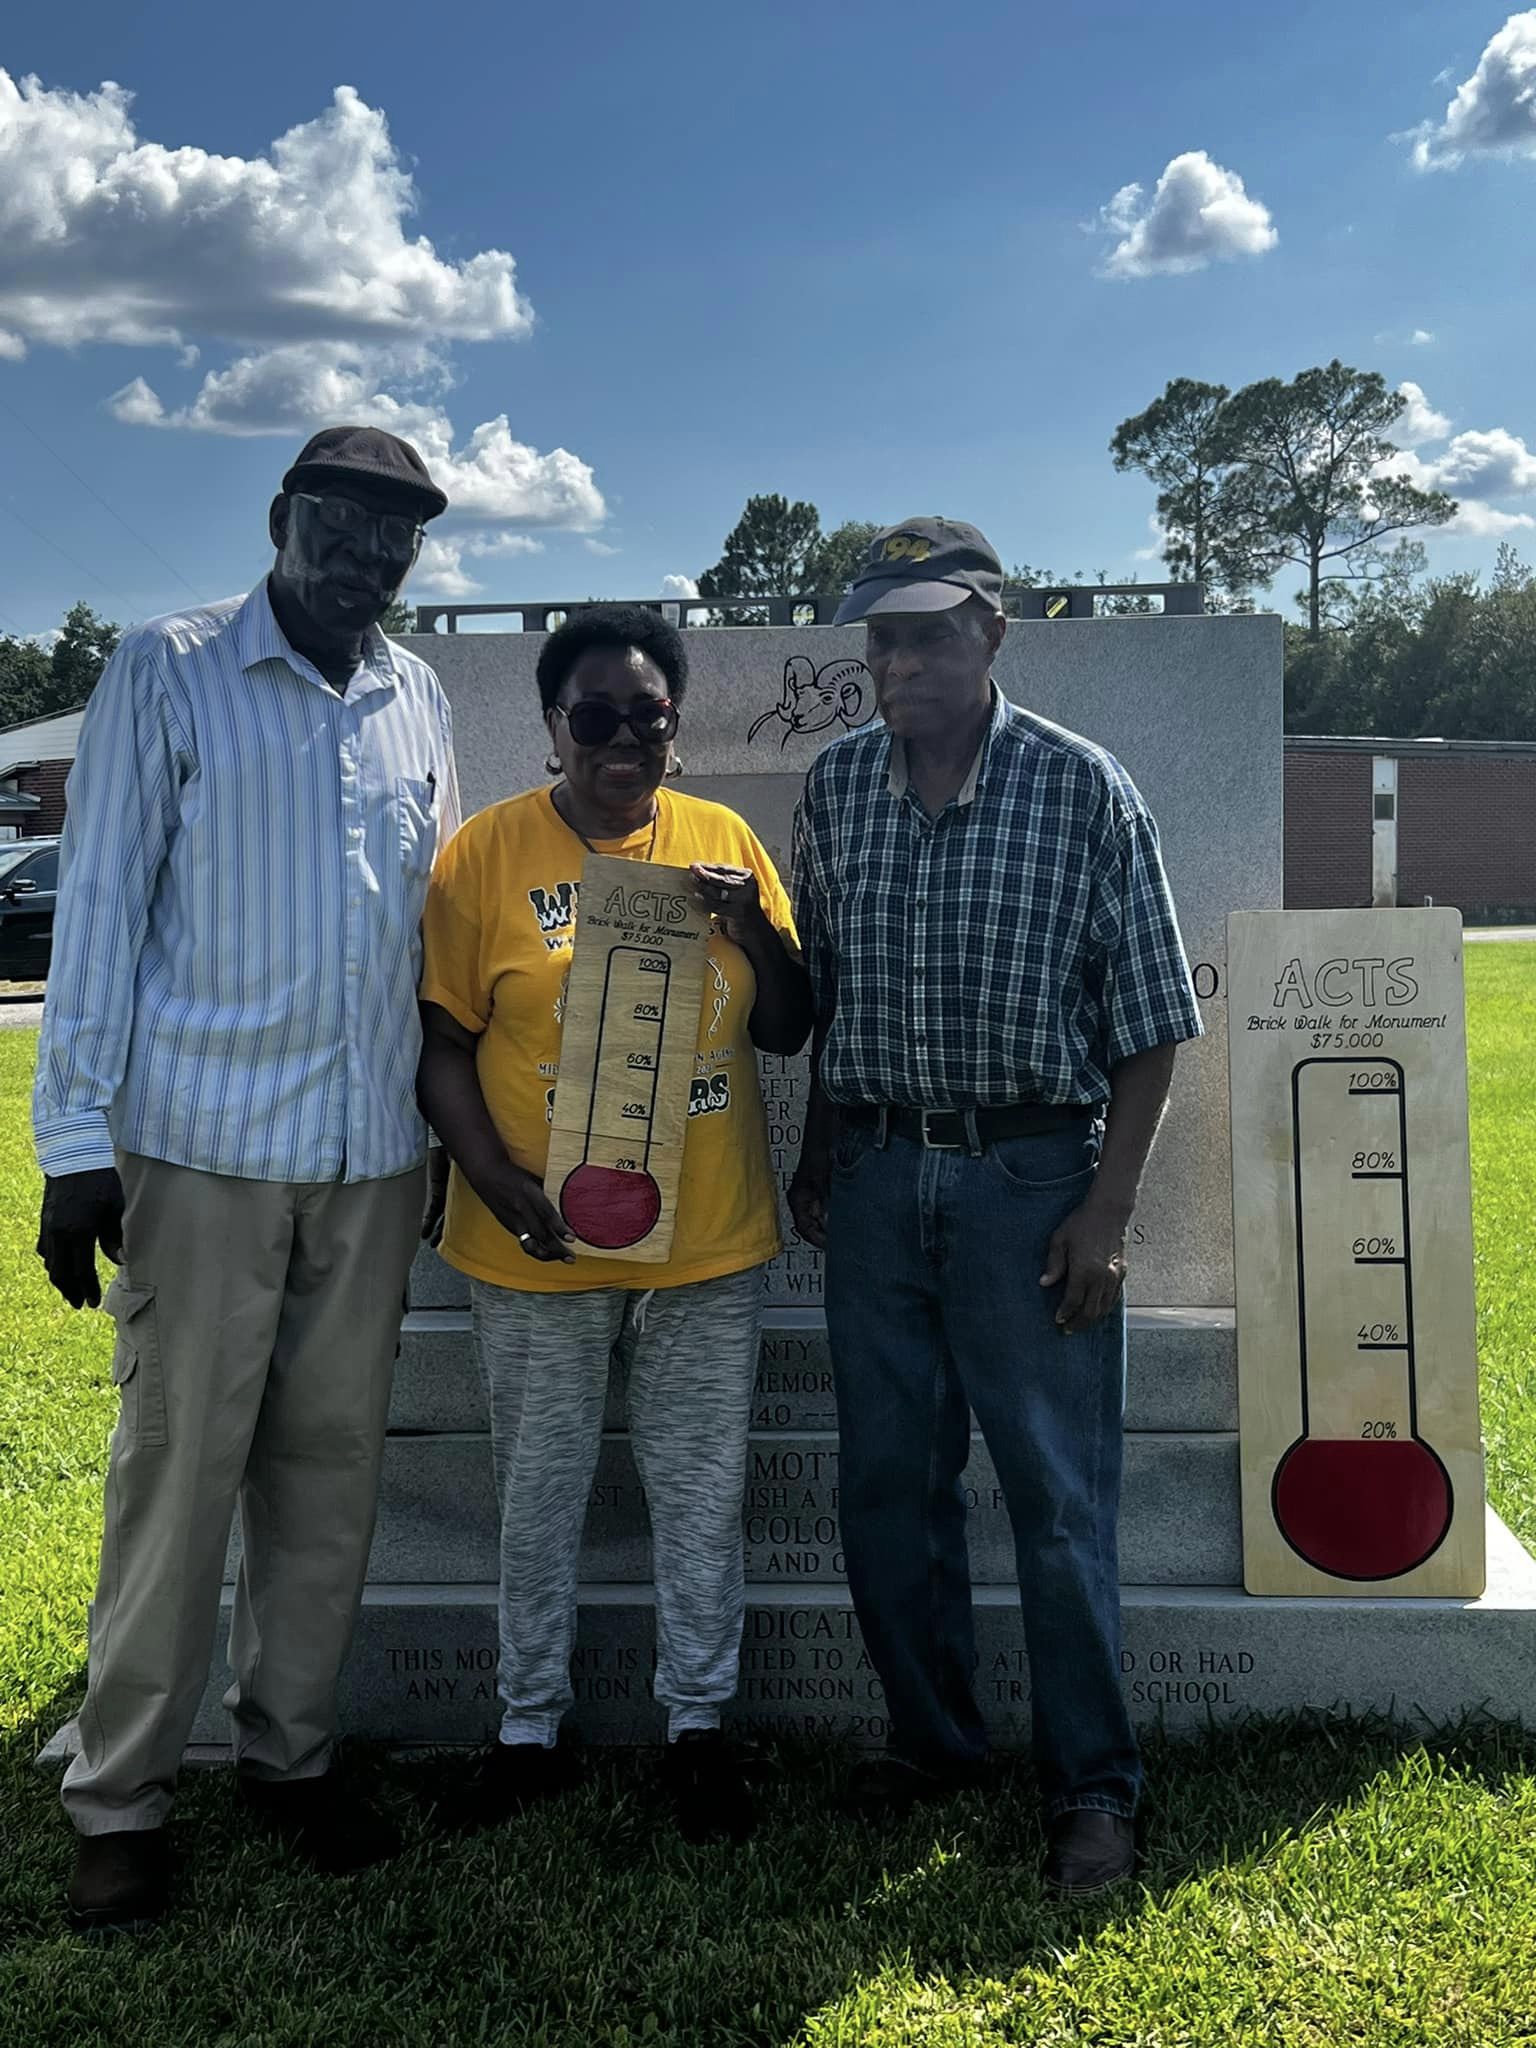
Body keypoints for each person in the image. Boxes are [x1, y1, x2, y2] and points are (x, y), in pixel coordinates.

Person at [33, 426, 459, 1932]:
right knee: (174, 1482)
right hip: (202, 1148)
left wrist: (443, 1135)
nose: (367, 559)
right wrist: (76, 1146)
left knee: (328, 1481)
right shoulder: (168, 667)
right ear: (284, 521)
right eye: (340, 526)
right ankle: (122, 1794)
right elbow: (97, 910)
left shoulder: (416, 695)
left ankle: (290, 1756)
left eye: (396, 537)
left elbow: (433, 937)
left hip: (366, 1157)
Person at [789, 518, 1203, 1895]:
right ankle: (932, 1738)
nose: (896, 659)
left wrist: (1110, 1210)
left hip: (1034, 1181)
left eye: (925, 631)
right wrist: (818, 1158)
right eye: (879, 635)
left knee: (1057, 1496)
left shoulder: (1084, 789)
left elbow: (1153, 1019)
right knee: (888, 1487)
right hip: (878, 1171)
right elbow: (829, 997)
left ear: (994, 631)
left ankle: (1092, 1783)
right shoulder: (838, 788)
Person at [417, 604, 811, 1844]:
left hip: (704, 1238)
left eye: (647, 715)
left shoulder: (725, 841)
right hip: (535, 1240)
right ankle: (528, 1726)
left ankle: (700, 1727)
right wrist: (488, 1174)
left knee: (700, 1492)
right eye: (595, 716)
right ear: (551, 728)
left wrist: (748, 922)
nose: (622, 738)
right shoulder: (483, 856)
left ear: (675, 728)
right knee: (538, 1492)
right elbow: (438, 1044)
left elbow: (791, 1022)